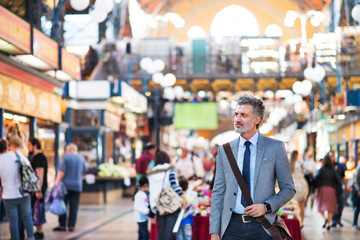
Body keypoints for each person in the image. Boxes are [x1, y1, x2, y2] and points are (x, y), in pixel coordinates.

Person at [209, 95, 295, 240]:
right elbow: (218, 192)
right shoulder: (225, 150)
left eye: (244, 115)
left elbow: (288, 189)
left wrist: (266, 206)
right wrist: (214, 232)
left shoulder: (275, 148)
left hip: (262, 226)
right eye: (236, 114)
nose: (237, 119)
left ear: (257, 119)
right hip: (231, 227)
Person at [0, 137, 35, 240]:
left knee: (13, 220)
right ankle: (30, 237)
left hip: (8, 195)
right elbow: (30, 169)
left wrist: (1, 192)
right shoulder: (17, 154)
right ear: (7, 146)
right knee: (27, 217)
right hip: (23, 193)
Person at [148, 151, 187, 240]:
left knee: (161, 231)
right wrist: (183, 197)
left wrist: (151, 209)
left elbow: (151, 191)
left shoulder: (152, 172)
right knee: (169, 232)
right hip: (171, 204)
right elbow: (173, 184)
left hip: (158, 205)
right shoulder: (171, 169)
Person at [53, 143, 87, 232]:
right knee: (74, 206)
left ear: (68, 150)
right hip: (77, 186)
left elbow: (61, 172)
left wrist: (56, 182)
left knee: (63, 205)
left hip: (66, 186)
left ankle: (62, 225)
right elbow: (85, 170)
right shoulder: (81, 158)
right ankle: (71, 226)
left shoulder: (66, 157)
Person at [314, 152, 341, 231]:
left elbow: (315, 179)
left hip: (322, 190)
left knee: (320, 206)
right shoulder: (333, 171)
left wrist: (315, 188)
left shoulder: (321, 170)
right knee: (330, 208)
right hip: (331, 190)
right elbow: (338, 182)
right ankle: (329, 223)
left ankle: (325, 218)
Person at [28, 138, 48, 239]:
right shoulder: (37, 156)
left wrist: (38, 190)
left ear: (35, 145)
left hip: (38, 188)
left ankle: (39, 231)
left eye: (29, 145)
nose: (28, 147)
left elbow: (40, 174)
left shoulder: (39, 157)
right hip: (38, 187)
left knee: (37, 208)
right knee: (37, 208)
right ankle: (38, 231)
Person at [289, 150, 308, 227]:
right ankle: (301, 222)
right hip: (302, 185)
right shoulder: (300, 163)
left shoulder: (290, 164)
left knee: (295, 205)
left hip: (294, 185)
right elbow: (308, 170)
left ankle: (298, 221)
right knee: (302, 205)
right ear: (296, 155)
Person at [331, 154, 347, 228]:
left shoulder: (339, 166)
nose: (332, 158)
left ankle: (338, 219)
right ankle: (334, 220)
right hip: (332, 189)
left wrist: (346, 186)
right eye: (330, 156)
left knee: (341, 205)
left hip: (339, 188)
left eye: (333, 156)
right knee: (333, 205)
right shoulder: (328, 167)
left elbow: (343, 177)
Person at [134, 176, 150, 240]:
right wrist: (147, 211)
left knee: (141, 234)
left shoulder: (142, 194)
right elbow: (137, 207)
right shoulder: (139, 195)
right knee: (145, 235)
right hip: (141, 218)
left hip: (143, 218)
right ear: (146, 185)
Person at [352, 163, 360, 231]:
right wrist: (358, 190)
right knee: (358, 207)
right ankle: (354, 224)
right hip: (358, 191)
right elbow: (355, 180)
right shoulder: (359, 167)